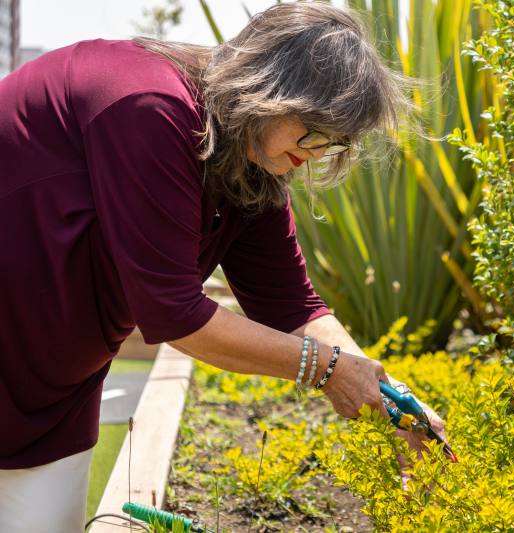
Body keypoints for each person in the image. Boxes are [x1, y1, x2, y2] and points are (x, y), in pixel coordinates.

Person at [0, 3, 447, 531]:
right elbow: (174, 314)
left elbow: (289, 302)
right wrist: (325, 370)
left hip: (51, 387)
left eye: (335, 139)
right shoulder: (149, 105)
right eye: (313, 127)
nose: (320, 148)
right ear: (268, 87)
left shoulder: (250, 158)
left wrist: (387, 397)